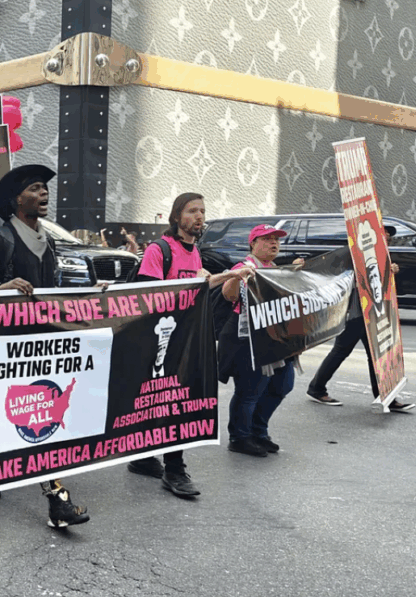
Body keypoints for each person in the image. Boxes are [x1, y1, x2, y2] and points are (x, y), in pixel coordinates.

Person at [0, 164, 88, 529]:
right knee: (41, 416)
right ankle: (57, 497)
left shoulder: (46, 240)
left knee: (26, 414)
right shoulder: (0, 241)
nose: (44, 194)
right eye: (35, 188)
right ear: (17, 199)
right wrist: (2, 289)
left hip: (42, 344)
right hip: (7, 350)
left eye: (45, 188)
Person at [128, 193, 248, 497]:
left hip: (186, 340)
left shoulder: (193, 252)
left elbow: (195, 290)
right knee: (169, 402)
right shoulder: (160, 249)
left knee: (169, 401)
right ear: (177, 216)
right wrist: (221, 276)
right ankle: (174, 470)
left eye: (202, 211)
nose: (199, 216)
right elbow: (149, 295)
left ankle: (143, 458)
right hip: (160, 340)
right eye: (192, 211)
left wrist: (213, 279)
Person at [306, 228, 414, 413]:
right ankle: (317, 388)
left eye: (388, 237)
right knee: (343, 350)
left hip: (373, 312)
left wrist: (391, 270)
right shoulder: (353, 253)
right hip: (355, 313)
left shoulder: (381, 255)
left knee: (375, 354)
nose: (386, 239)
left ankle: (384, 396)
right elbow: (333, 271)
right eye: (383, 236)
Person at [219, 225, 301, 456]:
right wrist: (237, 277)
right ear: (253, 244)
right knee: (250, 391)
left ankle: (258, 430)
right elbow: (229, 294)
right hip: (249, 341)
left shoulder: (275, 270)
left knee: (283, 384)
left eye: (276, 240)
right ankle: (240, 437)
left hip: (277, 340)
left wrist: (296, 274)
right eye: (266, 240)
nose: (273, 243)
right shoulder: (246, 267)